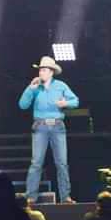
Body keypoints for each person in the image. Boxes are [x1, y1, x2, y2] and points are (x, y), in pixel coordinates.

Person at [19, 56, 79, 203]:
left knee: (62, 163)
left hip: (58, 127)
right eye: (40, 70)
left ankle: (65, 197)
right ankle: (30, 197)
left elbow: (75, 101)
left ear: (51, 72)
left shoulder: (61, 86)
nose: (41, 72)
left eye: (44, 70)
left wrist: (66, 103)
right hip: (40, 127)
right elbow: (22, 105)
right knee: (36, 162)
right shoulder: (35, 87)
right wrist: (29, 88)